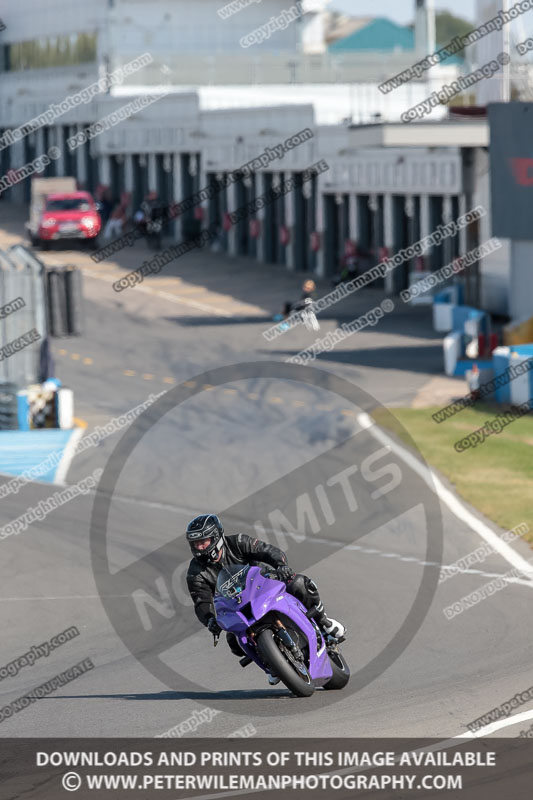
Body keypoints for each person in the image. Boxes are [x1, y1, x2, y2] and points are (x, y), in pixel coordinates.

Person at [186, 513, 346, 685]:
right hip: (237, 605)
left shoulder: (238, 542)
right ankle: (273, 663)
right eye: (196, 544)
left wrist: (281, 565)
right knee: (233, 641)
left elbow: (269, 551)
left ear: (216, 537)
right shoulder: (196, 571)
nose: (200, 547)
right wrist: (209, 619)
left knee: (299, 584)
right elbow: (201, 600)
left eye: (204, 542)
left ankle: (324, 623)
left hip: (265, 585)